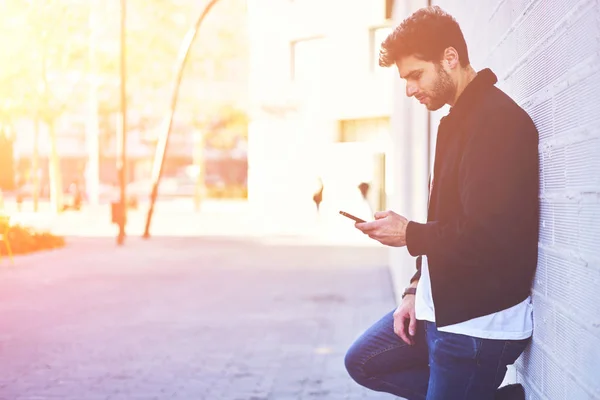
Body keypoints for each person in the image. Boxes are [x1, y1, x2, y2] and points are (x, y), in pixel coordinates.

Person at [345, 6, 539, 400]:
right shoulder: (456, 121)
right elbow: (446, 220)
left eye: (416, 75)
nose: (410, 89)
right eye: (405, 79)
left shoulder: (497, 123)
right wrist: (415, 289)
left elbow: (486, 236)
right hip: (441, 307)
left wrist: (409, 233)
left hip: (476, 324)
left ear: (450, 58)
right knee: (362, 361)